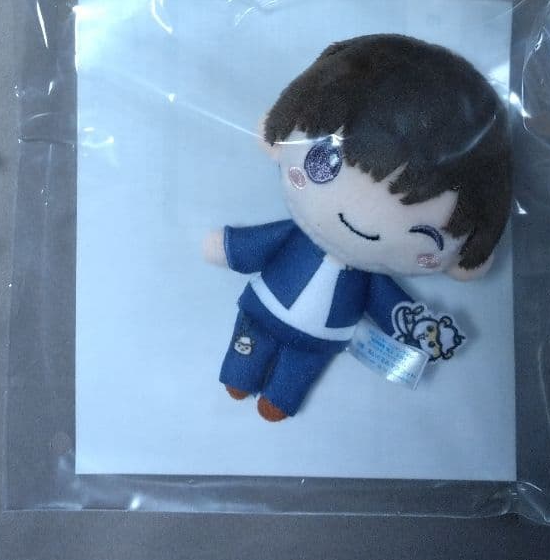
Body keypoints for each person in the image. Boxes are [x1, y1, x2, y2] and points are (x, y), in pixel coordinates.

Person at [203, 34, 512, 422]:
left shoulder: (371, 279)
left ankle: (280, 396)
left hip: (320, 341)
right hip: (265, 309)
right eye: (326, 165)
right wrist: (228, 246)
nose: (364, 221)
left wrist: (421, 334)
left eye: (424, 232)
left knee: (296, 374)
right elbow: (260, 244)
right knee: (246, 348)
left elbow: (394, 310)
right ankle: (240, 373)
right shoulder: (296, 239)